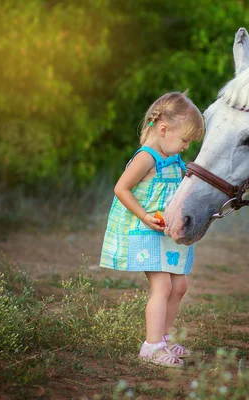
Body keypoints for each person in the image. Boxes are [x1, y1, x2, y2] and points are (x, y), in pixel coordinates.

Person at [100, 91, 204, 367]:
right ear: (163, 129)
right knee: (163, 285)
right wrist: (145, 216)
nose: (185, 147)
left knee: (179, 285)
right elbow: (121, 189)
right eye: (184, 140)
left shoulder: (174, 159)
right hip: (145, 230)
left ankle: (164, 337)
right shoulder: (146, 158)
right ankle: (152, 346)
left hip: (166, 231)